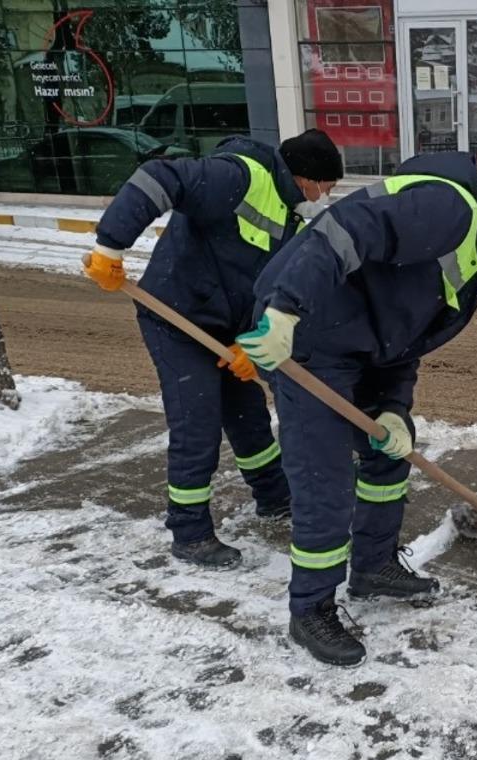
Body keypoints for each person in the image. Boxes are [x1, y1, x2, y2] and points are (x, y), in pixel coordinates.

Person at [238, 152, 477, 667]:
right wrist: (283, 309)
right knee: (325, 477)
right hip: (305, 333)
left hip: (355, 348)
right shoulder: (450, 208)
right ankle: (311, 608)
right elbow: (340, 230)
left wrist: (390, 407)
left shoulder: (465, 276)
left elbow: (405, 345)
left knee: (389, 451)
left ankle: (373, 565)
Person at [82, 129, 343, 569]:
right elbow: (159, 177)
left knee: (249, 417)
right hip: (175, 318)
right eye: (326, 186)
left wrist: (248, 344)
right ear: (305, 178)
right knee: (197, 423)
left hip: (225, 328)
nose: (326, 195)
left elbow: (265, 289)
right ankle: (190, 532)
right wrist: (110, 245)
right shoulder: (239, 175)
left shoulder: (290, 216)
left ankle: (274, 497)